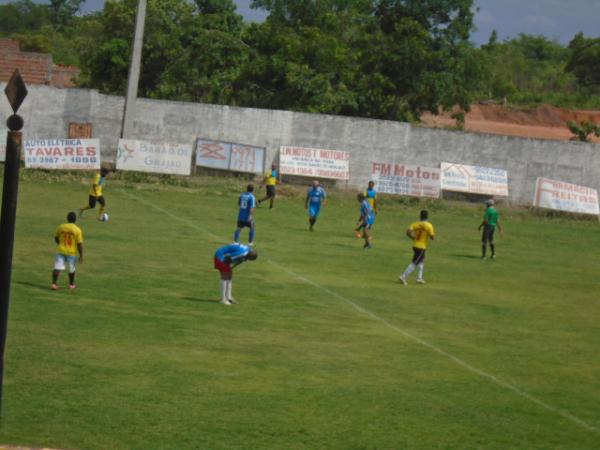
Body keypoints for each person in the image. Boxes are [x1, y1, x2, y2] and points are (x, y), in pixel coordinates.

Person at [399, 210, 435, 285]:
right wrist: (429, 235)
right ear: (427, 216)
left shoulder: (415, 224)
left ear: (420, 216)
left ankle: (420, 278)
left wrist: (413, 238)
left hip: (415, 245)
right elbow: (432, 237)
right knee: (415, 263)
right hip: (421, 246)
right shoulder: (429, 225)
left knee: (421, 261)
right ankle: (403, 276)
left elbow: (408, 232)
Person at [51, 211, 83, 290]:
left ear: (67, 218)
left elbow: (56, 238)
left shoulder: (61, 227)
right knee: (71, 269)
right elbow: (79, 244)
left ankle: (54, 284)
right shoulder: (77, 230)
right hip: (71, 253)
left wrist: (60, 244)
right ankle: (71, 285)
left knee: (57, 268)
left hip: (61, 250)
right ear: (75, 220)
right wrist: (81, 255)